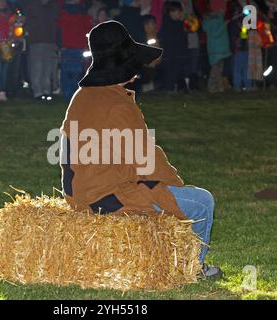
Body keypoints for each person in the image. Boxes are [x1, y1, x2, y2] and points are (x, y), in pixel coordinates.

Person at [59, 20, 222, 279]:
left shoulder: (81, 97)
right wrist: (176, 189)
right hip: (107, 198)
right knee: (202, 202)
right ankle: (192, 268)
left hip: (79, 195)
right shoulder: (117, 104)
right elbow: (146, 159)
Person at [22, 0, 60, 100]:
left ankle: (46, 91)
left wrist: (55, 41)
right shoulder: (32, 5)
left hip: (49, 40)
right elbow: (27, 22)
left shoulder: (53, 5)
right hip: (36, 40)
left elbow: (55, 23)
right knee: (36, 67)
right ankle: (38, 92)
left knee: (47, 67)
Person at [57, 0, 92, 101]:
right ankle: (67, 95)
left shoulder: (84, 13)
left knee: (77, 72)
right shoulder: (62, 12)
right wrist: (59, 45)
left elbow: (88, 30)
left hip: (79, 48)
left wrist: (86, 45)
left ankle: (74, 95)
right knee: (66, 73)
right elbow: (59, 30)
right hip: (66, 48)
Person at [158, 1, 190, 92]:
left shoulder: (180, 24)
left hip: (180, 55)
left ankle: (180, 88)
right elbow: (165, 40)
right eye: (178, 11)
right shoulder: (166, 24)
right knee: (170, 74)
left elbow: (183, 40)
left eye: (180, 11)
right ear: (171, 12)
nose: (180, 13)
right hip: (170, 56)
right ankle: (168, 90)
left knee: (180, 72)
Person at [202, 3, 231, 93]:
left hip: (215, 48)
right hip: (219, 49)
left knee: (216, 70)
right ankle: (215, 87)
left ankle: (216, 87)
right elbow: (215, 33)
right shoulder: (216, 19)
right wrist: (224, 25)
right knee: (216, 70)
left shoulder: (210, 18)